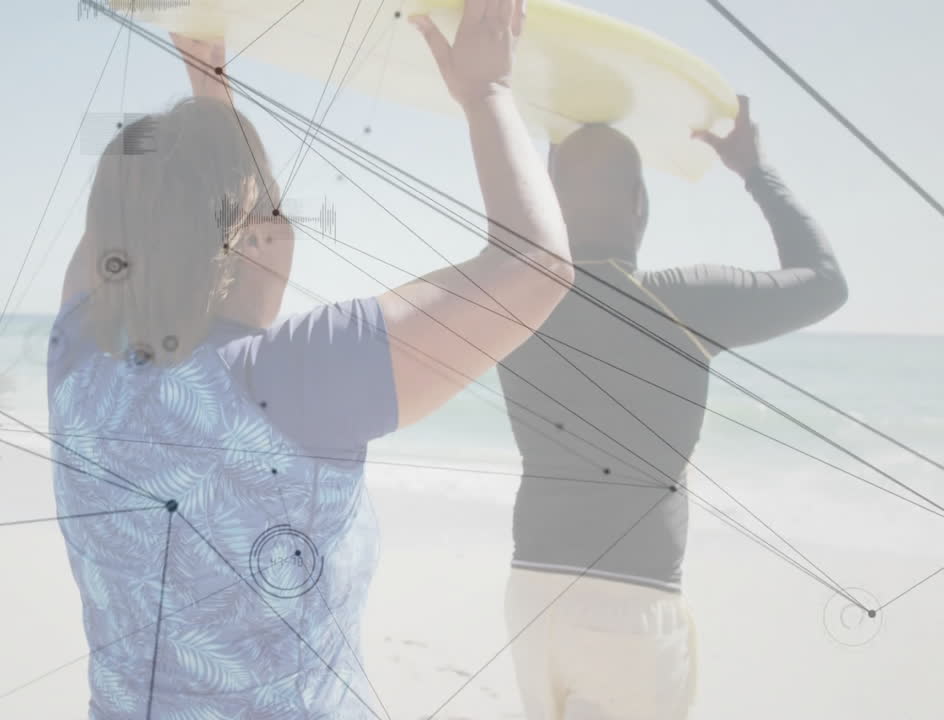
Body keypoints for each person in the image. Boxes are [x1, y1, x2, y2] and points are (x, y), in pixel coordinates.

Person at [47, 2, 573, 717]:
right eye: (271, 212)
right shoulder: (298, 380)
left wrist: (208, 81)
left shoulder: (77, 359)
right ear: (250, 235)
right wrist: (487, 93)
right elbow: (537, 269)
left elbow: (138, 226)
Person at [498, 97, 848, 719]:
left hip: (531, 593)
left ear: (553, 202)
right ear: (641, 206)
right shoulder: (684, 303)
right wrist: (754, 171)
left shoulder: (510, 305)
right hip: (631, 605)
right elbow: (824, 281)